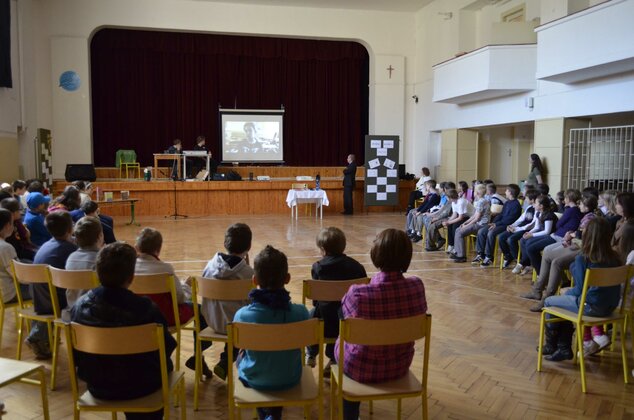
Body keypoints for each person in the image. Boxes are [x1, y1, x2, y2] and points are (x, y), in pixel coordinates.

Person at [71, 242, 177, 420]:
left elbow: (77, 354)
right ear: (131, 276)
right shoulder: (145, 308)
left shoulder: (79, 306)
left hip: (98, 384)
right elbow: (166, 347)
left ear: (97, 272)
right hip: (142, 386)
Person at [335, 229, 427, 420]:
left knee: (343, 333)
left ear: (376, 254)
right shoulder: (417, 286)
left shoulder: (358, 294)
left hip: (359, 368)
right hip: (399, 365)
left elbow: (343, 320)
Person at [233, 245, 310, 420]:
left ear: (254, 280)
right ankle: (274, 411)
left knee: (241, 355)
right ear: (288, 278)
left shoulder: (242, 316)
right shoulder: (301, 313)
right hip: (290, 377)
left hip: (254, 379)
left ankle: (264, 413)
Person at [541, 218, 621, 362]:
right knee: (564, 303)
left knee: (549, 301)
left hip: (590, 307)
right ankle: (562, 347)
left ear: (587, 235)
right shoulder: (615, 258)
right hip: (611, 307)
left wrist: (567, 291)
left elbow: (579, 291)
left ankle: (555, 345)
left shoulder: (584, 258)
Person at [133, 227, 211, 377]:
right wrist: (186, 286)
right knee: (201, 310)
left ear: (137, 247)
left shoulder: (130, 268)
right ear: (159, 248)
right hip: (167, 317)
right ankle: (198, 356)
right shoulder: (165, 268)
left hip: (138, 317)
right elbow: (180, 298)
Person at [520, 195, 598, 312]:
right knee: (547, 252)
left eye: (581, 204)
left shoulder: (590, 218)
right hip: (575, 243)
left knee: (556, 262)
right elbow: (579, 232)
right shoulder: (586, 216)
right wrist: (572, 234)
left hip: (580, 247)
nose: (579, 205)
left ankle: (547, 295)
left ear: (587, 207)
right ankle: (538, 289)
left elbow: (583, 236)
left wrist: (572, 235)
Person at [305, 227, 366, 375]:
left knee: (311, 316)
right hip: (349, 320)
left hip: (324, 320)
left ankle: (311, 353)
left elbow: (315, 300)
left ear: (323, 249)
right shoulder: (356, 266)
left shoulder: (318, 267)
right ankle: (334, 358)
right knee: (336, 315)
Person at [200, 223, 254, 380]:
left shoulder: (209, 266)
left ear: (225, 243)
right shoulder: (248, 273)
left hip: (212, 321)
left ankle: (201, 354)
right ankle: (226, 361)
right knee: (243, 320)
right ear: (249, 246)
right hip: (236, 327)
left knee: (230, 312)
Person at [26, 212, 77, 359]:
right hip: (53, 301)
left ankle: (41, 336)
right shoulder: (68, 249)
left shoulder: (47, 245)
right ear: (70, 229)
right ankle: (37, 337)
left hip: (38, 296)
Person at [473, 184, 522, 267]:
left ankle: (489, 257)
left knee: (491, 233)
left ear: (510, 192)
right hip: (499, 223)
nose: (505, 192)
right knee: (481, 231)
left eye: (506, 190)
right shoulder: (507, 203)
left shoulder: (516, 205)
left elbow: (510, 220)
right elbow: (501, 215)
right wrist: (493, 222)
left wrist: (496, 224)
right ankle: (480, 254)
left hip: (507, 225)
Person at [65, 216, 104, 308]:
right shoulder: (103, 260)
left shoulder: (71, 258)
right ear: (100, 236)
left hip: (73, 311)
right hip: (96, 314)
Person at [498, 189, 539, 268]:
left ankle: (519, 260)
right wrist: (512, 225)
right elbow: (521, 219)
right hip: (520, 228)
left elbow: (531, 225)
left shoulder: (537, 210)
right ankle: (508, 256)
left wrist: (517, 229)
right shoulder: (529, 207)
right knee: (501, 237)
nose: (525, 199)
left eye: (526, 198)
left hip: (528, 229)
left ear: (532, 200)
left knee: (511, 239)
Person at [450, 184, 490, 263]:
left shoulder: (481, 202)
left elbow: (477, 218)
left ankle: (461, 256)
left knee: (460, 232)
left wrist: (467, 225)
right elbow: (474, 216)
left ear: (477, 193)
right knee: (458, 229)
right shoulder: (480, 201)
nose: (473, 193)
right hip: (478, 223)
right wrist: (465, 223)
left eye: (474, 191)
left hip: (481, 225)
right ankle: (458, 252)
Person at [0, 208, 30, 303]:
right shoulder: (5, 248)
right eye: (13, 223)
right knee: (44, 288)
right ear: (8, 225)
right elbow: (19, 277)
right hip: (8, 294)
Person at [0, 197, 37, 262]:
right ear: (13, 213)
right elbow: (26, 234)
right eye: (19, 210)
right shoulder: (12, 226)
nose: (20, 212)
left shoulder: (15, 222)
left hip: (21, 250)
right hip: (21, 252)